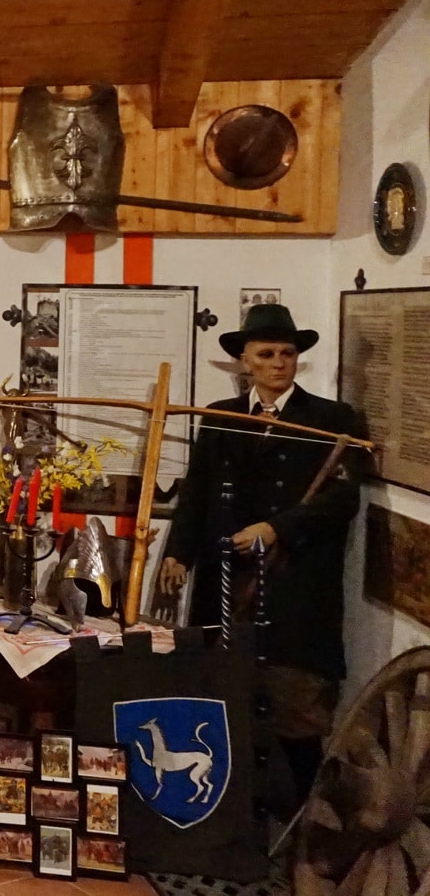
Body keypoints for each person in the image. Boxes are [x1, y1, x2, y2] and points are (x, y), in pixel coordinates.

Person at [159, 303, 367, 806]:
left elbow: (343, 499)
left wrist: (276, 529)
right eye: (267, 354)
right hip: (226, 579)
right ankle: (230, 809)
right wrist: (179, 553)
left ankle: (303, 818)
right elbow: (198, 490)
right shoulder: (221, 416)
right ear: (245, 361)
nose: (279, 363)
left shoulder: (332, 419)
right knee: (223, 694)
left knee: (296, 706)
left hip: (295, 583)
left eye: (287, 353)